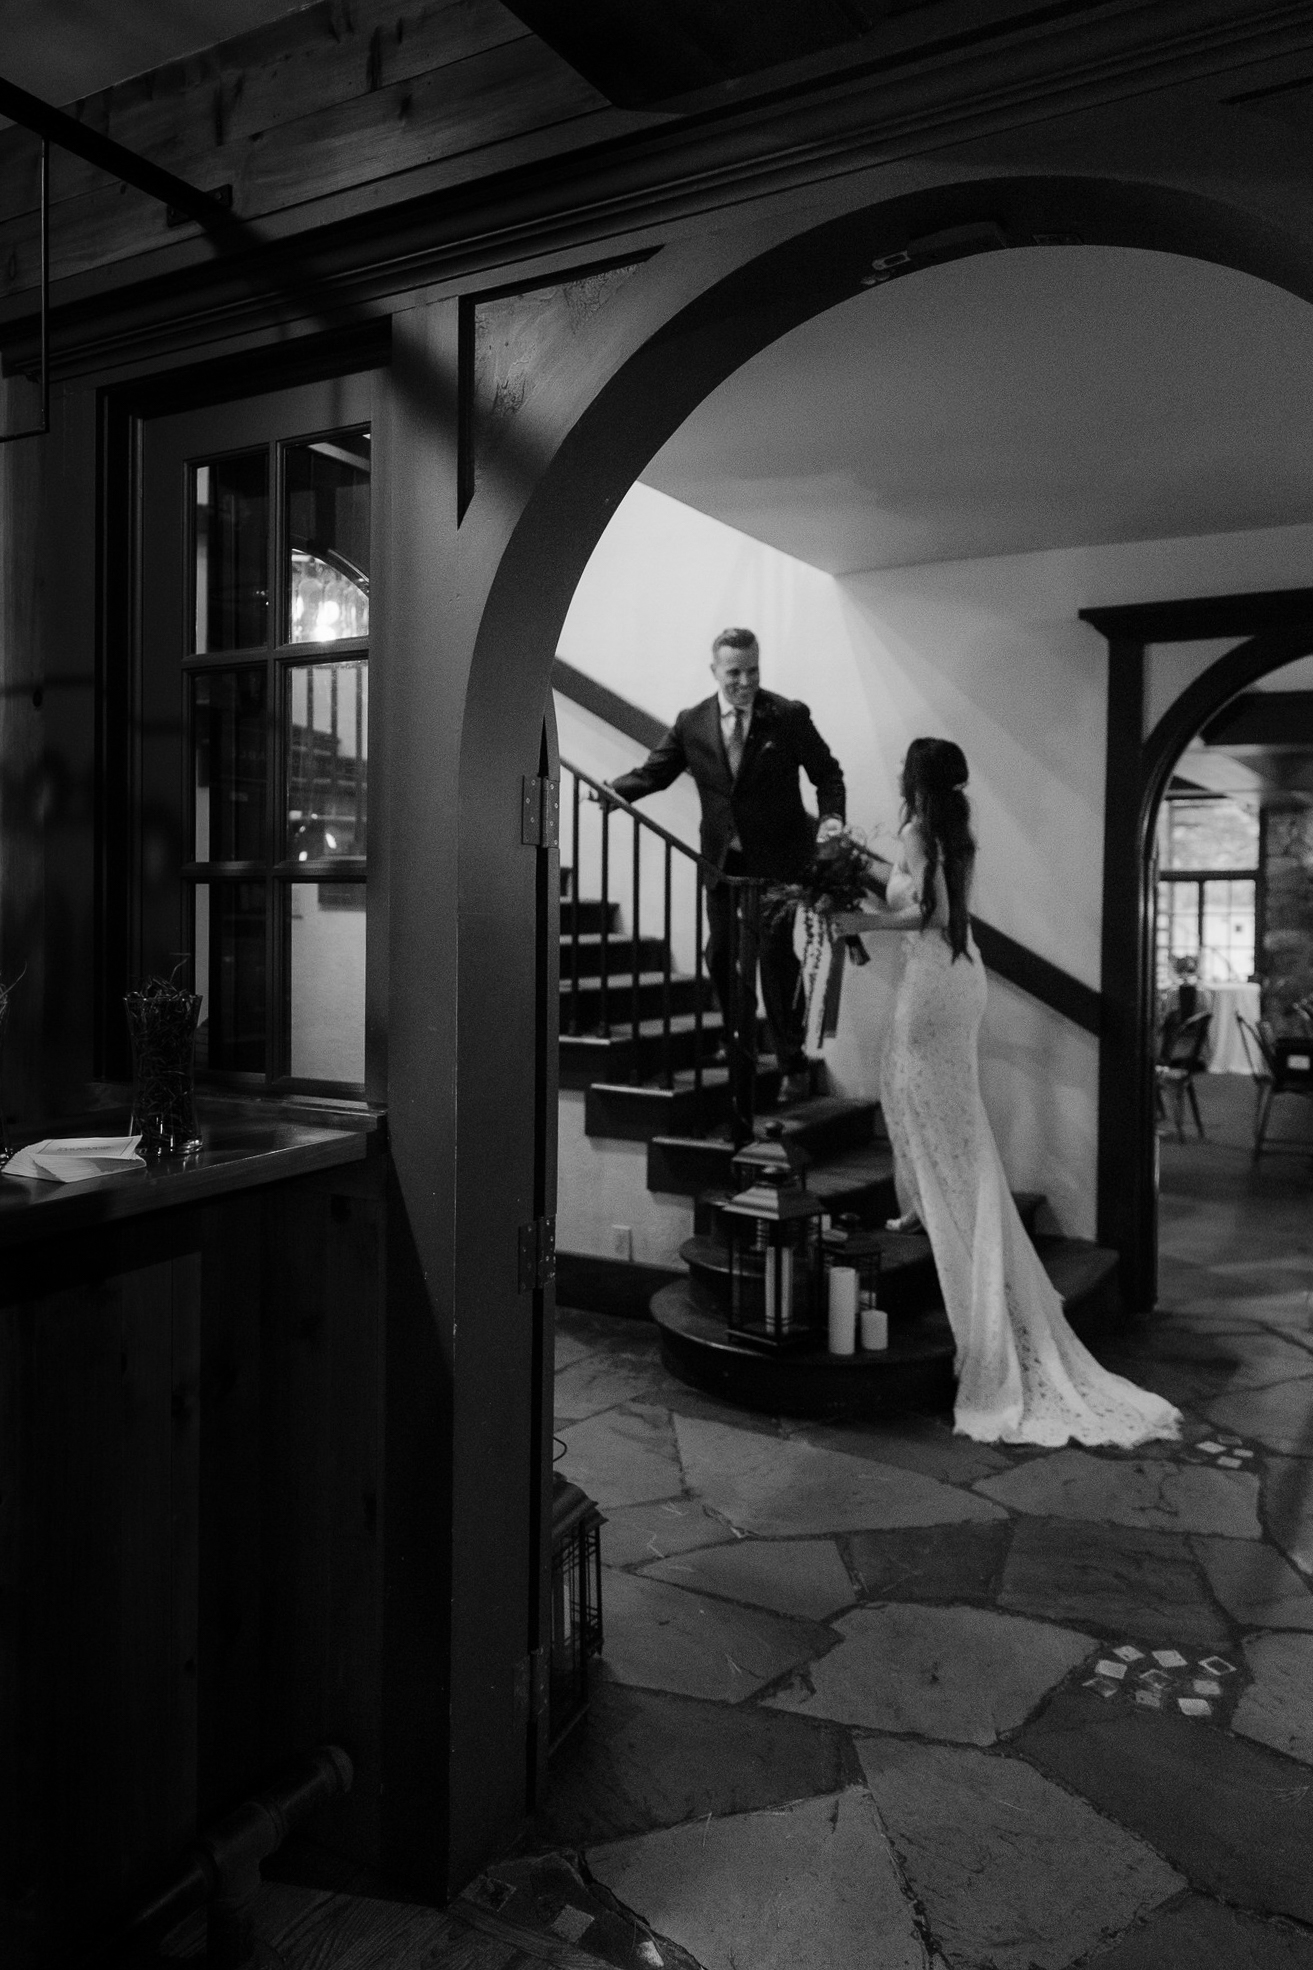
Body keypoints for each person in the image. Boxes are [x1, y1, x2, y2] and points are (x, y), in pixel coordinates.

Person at [833, 737, 1181, 1447]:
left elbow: (921, 915)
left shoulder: (916, 829)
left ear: (913, 776)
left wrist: (854, 920)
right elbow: (928, 895)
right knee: (926, 1100)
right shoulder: (951, 830)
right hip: (961, 978)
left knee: (913, 1092)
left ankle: (946, 1213)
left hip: (933, 977)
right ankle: (927, 1204)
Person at [607, 628, 846, 1102]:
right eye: (734, 671)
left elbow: (827, 773)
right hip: (722, 863)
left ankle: (791, 1062)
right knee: (719, 955)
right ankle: (740, 1039)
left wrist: (833, 819)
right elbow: (656, 771)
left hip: (779, 863)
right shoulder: (692, 721)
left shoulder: (788, 716)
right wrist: (615, 792)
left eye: (753, 670)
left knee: (775, 962)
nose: (745, 680)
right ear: (714, 670)